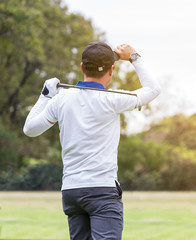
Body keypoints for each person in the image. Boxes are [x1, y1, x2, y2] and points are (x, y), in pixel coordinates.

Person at [23, 42, 161, 239]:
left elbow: (30, 129)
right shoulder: (114, 99)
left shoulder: (61, 99)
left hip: (72, 191)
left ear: (82, 67)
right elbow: (153, 89)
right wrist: (134, 57)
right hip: (101, 191)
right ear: (111, 70)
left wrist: (45, 96)